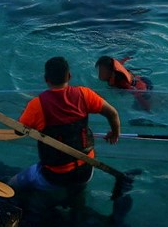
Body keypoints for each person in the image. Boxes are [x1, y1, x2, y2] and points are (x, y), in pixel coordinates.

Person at [9, 57, 121, 202]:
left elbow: (19, 131)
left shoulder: (37, 105)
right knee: (77, 195)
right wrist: (115, 133)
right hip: (86, 169)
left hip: (55, 175)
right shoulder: (84, 94)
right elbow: (113, 113)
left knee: (13, 184)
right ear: (69, 76)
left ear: (46, 79)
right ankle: (77, 204)